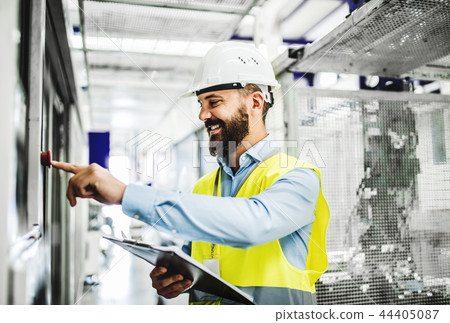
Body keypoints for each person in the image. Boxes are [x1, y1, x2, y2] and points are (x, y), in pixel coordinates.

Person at [53, 41, 330, 305]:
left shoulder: (299, 176)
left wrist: (126, 194)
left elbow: (251, 225)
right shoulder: (204, 187)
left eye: (214, 102)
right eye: (201, 104)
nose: (202, 115)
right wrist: (175, 280)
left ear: (255, 103)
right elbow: (195, 267)